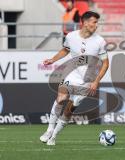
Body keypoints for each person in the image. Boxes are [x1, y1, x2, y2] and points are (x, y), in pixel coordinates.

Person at [40, 11, 109, 146]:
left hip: (87, 80)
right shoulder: (71, 36)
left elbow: (105, 63)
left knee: (69, 109)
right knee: (60, 98)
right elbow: (65, 50)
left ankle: (54, 136)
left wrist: (96, 81)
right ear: (85, 22)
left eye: (97, 22)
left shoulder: (100, 41)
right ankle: (49, 130)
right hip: (71, 73)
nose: (96, 25)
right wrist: (53, 60)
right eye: (94, 22)